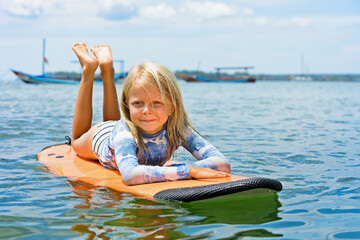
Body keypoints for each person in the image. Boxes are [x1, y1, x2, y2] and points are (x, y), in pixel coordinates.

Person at [71, 43, 231, 185]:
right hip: (101, 136)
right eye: (137, 103)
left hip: (121, 131)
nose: (147, 110)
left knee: (119, 123)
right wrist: (188, 171)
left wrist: (176, 169)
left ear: (172, 107)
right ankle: (89, 69)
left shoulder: (177, 128)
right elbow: (130, 175)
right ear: (127, 107)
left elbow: (222, 164)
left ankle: (106, 69)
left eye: (157, 103)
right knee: (75, 141)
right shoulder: (124, 132)